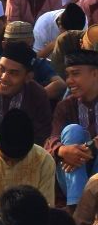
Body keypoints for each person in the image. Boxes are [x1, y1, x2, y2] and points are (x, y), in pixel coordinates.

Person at [45, 51, 98, 209]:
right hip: (70, 175)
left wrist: (92, 147)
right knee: (72, 131)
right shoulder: (65, 106)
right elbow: (51, 139)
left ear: (95, 74)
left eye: (75, 74)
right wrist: (63, 150)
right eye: (67, 75)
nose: (69, 81)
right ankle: (78, 206)